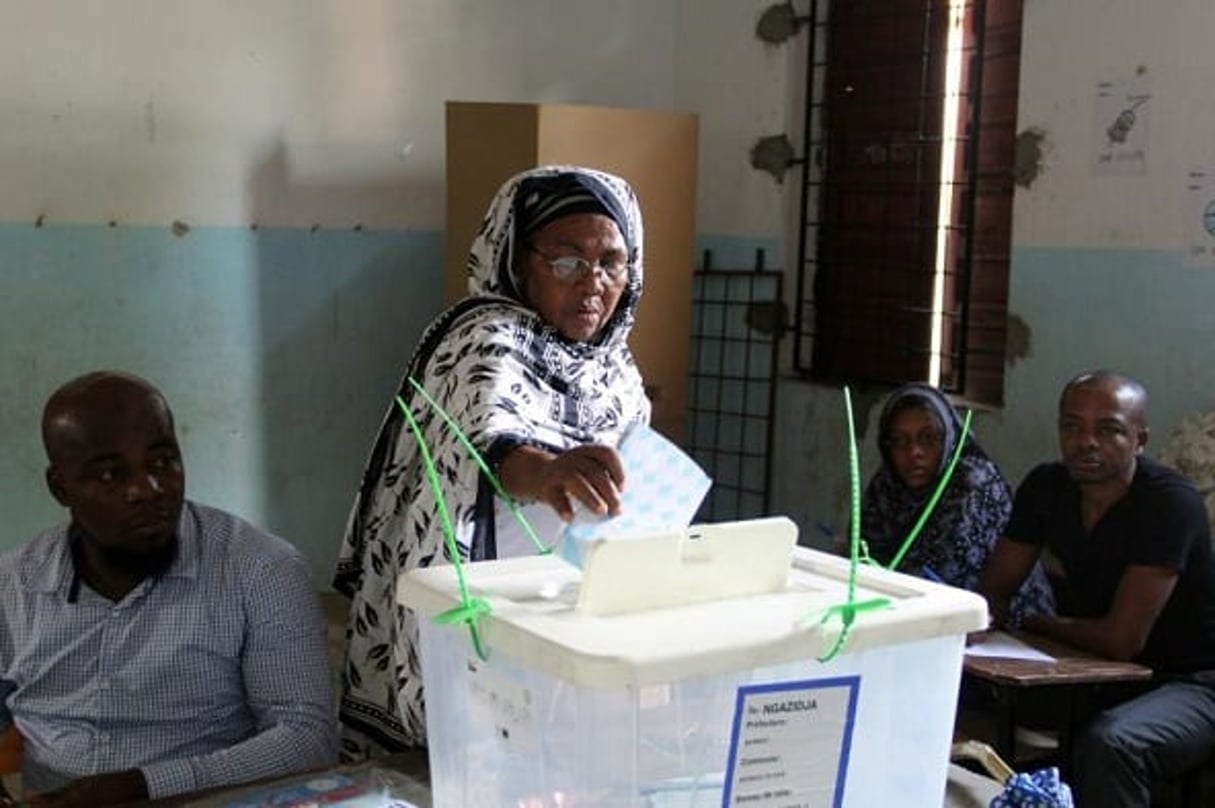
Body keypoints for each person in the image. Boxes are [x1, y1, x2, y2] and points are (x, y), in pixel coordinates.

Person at [334, 166, 650, 758]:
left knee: (553, 753)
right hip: (479, 582)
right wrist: (548, 472)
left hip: (569, 590)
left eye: (612, 262)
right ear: (518, 258)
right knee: (472, 750)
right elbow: (490, 444)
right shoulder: (484, 336)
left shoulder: (619, 368)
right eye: (566, 261)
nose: (592, 285)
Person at [0, 371, 337, 806]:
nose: (147, 490)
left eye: (162, 462)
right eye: (110, 475)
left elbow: (307, 740)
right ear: (60, 487)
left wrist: (142, 786)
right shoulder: (13, 586)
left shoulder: (261, 569)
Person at [978, 370, 1215, 807]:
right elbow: (993, 593)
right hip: (1099, 673)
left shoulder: (1169, 502)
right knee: (968, 702)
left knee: (1113, 742)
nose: (1086, 442)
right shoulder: (1047, 487)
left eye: (1108, 430)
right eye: (1072, 426)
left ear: (1140, 440)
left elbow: (1122, 640)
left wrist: (1036, 622)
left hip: (1193, 683)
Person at [861, 384, 1054, 624]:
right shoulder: (887, 484)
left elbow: (942, 576)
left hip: (1011, 628)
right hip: (919, 619)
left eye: (928, 438)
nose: (914, 452)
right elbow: (860, 558)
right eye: (900, 442)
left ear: (950, 437)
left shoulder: (973, 482)